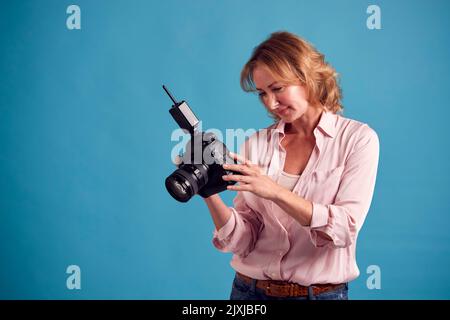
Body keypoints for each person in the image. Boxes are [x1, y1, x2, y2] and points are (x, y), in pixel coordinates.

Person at [203, 31, 379, 300]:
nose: (270, 103)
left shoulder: (357, 140)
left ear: (307, 77)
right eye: (262, 93)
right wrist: (208, 192)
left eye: (277, 88)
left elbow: (344, 229)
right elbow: (243, 240)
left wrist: (274, 191)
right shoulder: (256, 144)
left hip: (319, 295)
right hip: (248, 293)